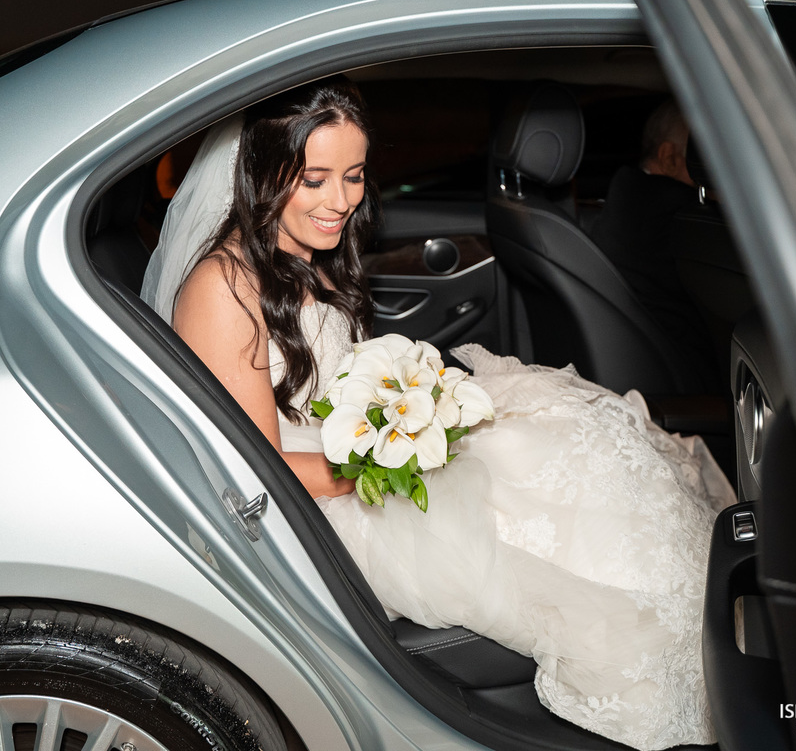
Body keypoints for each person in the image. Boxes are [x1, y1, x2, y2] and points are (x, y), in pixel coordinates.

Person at [141, 79, 736, 751]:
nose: (340, 201)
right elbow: (257, 465)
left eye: (355, 176)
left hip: (353, 453)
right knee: (569, 520)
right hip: (315, 502)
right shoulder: (224, 287)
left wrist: (415, 412)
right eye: (314, 179)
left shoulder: (298, 256)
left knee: (579, 439)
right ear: (261, 174)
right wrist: (395, 457)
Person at [589, 99, 723, 394]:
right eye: (703, 151)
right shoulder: (679, 212)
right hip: (690, 387)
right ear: (669, 156)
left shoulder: (628, 193)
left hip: (646, 362)